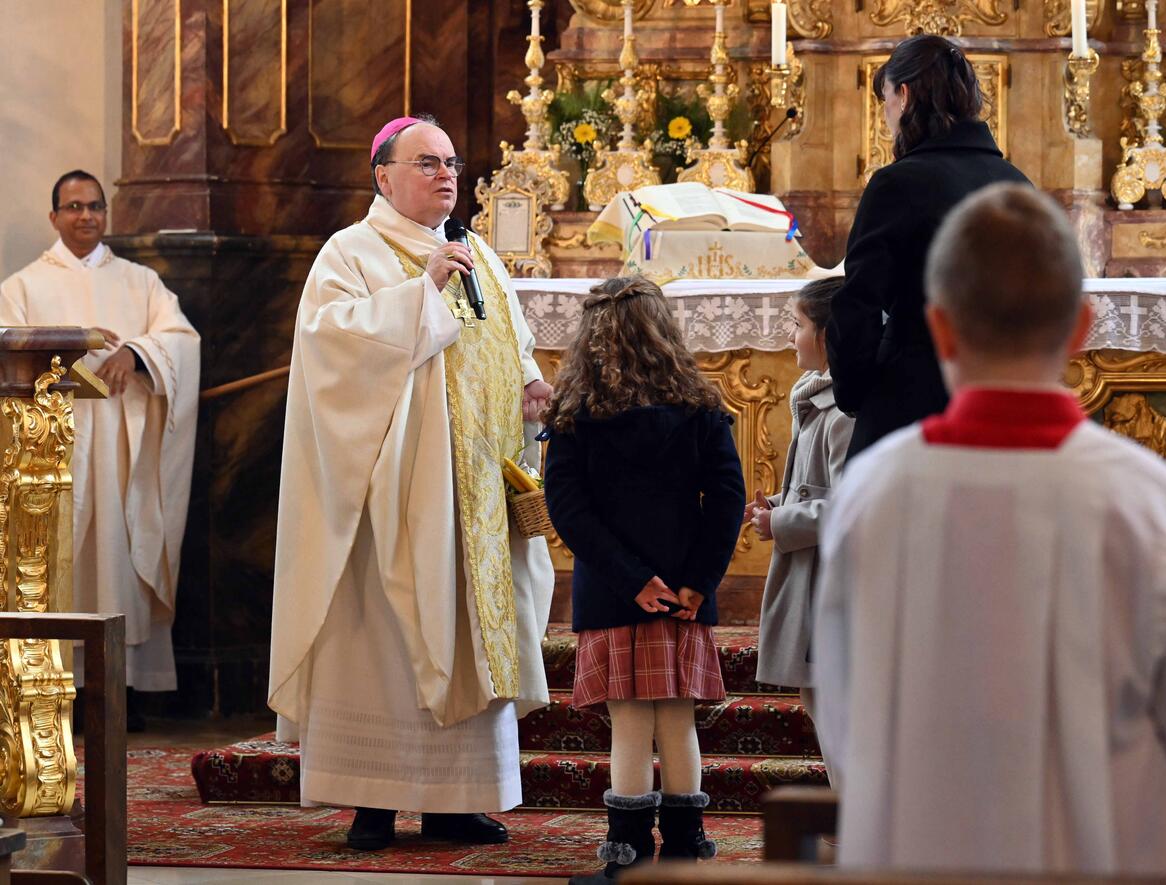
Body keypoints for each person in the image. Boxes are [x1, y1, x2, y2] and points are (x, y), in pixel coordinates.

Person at [813, 183, 1166, 874]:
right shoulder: (1152, 502)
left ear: (940, 326)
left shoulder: (872, 493)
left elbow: (843, 714)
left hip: (916, 852)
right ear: (1081, 328)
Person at [267, 115, 555, 851]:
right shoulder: (351, 253)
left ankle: (458, 801)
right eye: (426, 162)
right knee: (383, 645)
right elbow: (331, 349)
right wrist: (418, 295)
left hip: (474, 492)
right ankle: (371, 802)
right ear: (384, 176)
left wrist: (527, 380)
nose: (445, 173)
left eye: (452, 162)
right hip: (389, 494)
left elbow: (507, 337)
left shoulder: (476, 252)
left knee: (469, 633)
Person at [541, 276, 746, 883]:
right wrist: (697, 581)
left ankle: (626, 859)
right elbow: (728, 498)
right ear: (664, 331)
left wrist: (632, 580)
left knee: (630, 721)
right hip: (684, 593)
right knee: (676, 719)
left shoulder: (576, 412)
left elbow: (568, 508)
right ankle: (685, 851)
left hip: (613, 592)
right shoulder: (700, 406)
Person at [0, 170, 200, 731]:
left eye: (94, 207)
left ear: (105, 214)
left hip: (119, 447)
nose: (85, 216)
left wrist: (136, 354)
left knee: (116, 551)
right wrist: (65, 352)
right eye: (73, 207)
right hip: (49, 448)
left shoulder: (140, 282)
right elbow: (7, 348)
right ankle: (51, 689)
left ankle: (118, 690)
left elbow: (181, 339)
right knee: (55, 559)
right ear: (54, 216)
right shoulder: (23, 286)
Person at [827, 35, 1030, 459]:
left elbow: (858, 305)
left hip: (911, 408)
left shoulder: (896, 184)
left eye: (884, 99)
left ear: (903, 95)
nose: (885, 114)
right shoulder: (1016, 183)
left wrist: (856, 395)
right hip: (1001, 408)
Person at [747, 277, 852, 782]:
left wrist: (782, 520)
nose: (790, 336)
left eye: (798, 325)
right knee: (823, 706)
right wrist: (783, 505)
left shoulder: (843, 414)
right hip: (814, 572)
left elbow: (852, 505)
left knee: (838, 710)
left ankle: (861, 827)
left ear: (829, 336)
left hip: (832, 583)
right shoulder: (819, 401)